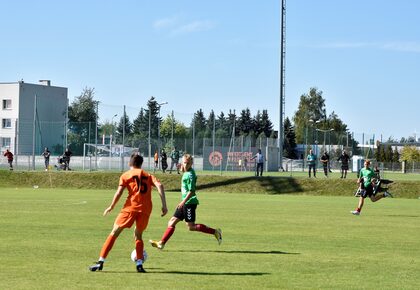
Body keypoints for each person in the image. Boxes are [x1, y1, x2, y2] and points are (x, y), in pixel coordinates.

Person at [89, 153, 168, 273]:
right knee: (138, 235)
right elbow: (160, 185)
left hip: (130, 207)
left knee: (114, 232)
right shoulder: (148, 175)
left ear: (130, 163)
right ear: (141, 164)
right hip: (146, 209)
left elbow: (119, 192)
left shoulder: (126, 175)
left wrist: (111, 206)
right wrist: (164, 206)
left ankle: (100, 262)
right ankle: (139, 264)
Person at [149, 153, 222, 250]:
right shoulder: (187, 171)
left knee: (191, 227)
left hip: (189, 203)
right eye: (184, 163)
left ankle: (216, 232)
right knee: (171, 222)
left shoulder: (190, 175)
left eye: (188, 163)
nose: (186, 165)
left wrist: (182, 202)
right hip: (184, 203)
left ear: (191, 164)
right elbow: (184, 171)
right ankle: (161, 244)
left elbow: (192, 191)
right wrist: (182, 168)